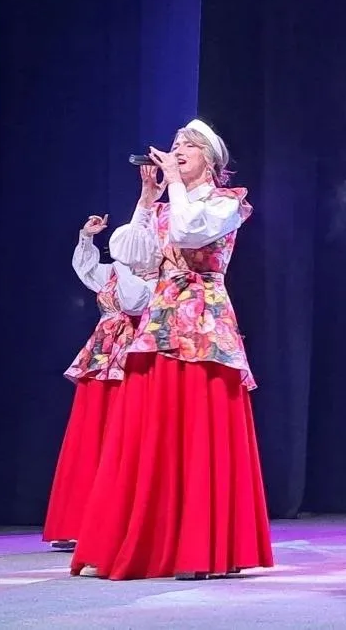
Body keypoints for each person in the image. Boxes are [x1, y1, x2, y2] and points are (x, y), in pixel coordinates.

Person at [70, 119, 273, 580]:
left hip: (204, 323)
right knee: (150, 430)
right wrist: (147, 199)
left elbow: (188, 233)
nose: (178, 150)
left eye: (190, 146)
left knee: (201, 431)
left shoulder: (226, 202)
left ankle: (205, 549)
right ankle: (144, 543)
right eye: (176, 143)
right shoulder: (167, 205)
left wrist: (176, 188)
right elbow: (133, 256)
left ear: (211, 159)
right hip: (161, 321)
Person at [42, 213, 156, 551]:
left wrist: (123, 263)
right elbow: (87, 269)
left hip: (135, 356)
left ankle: (119, 523)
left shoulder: (158, 280)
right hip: (102, 355)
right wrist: (87, 238)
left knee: (126, 434)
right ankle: (78, 521)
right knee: (90, 434)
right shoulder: (115, 272)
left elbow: (134, 302)